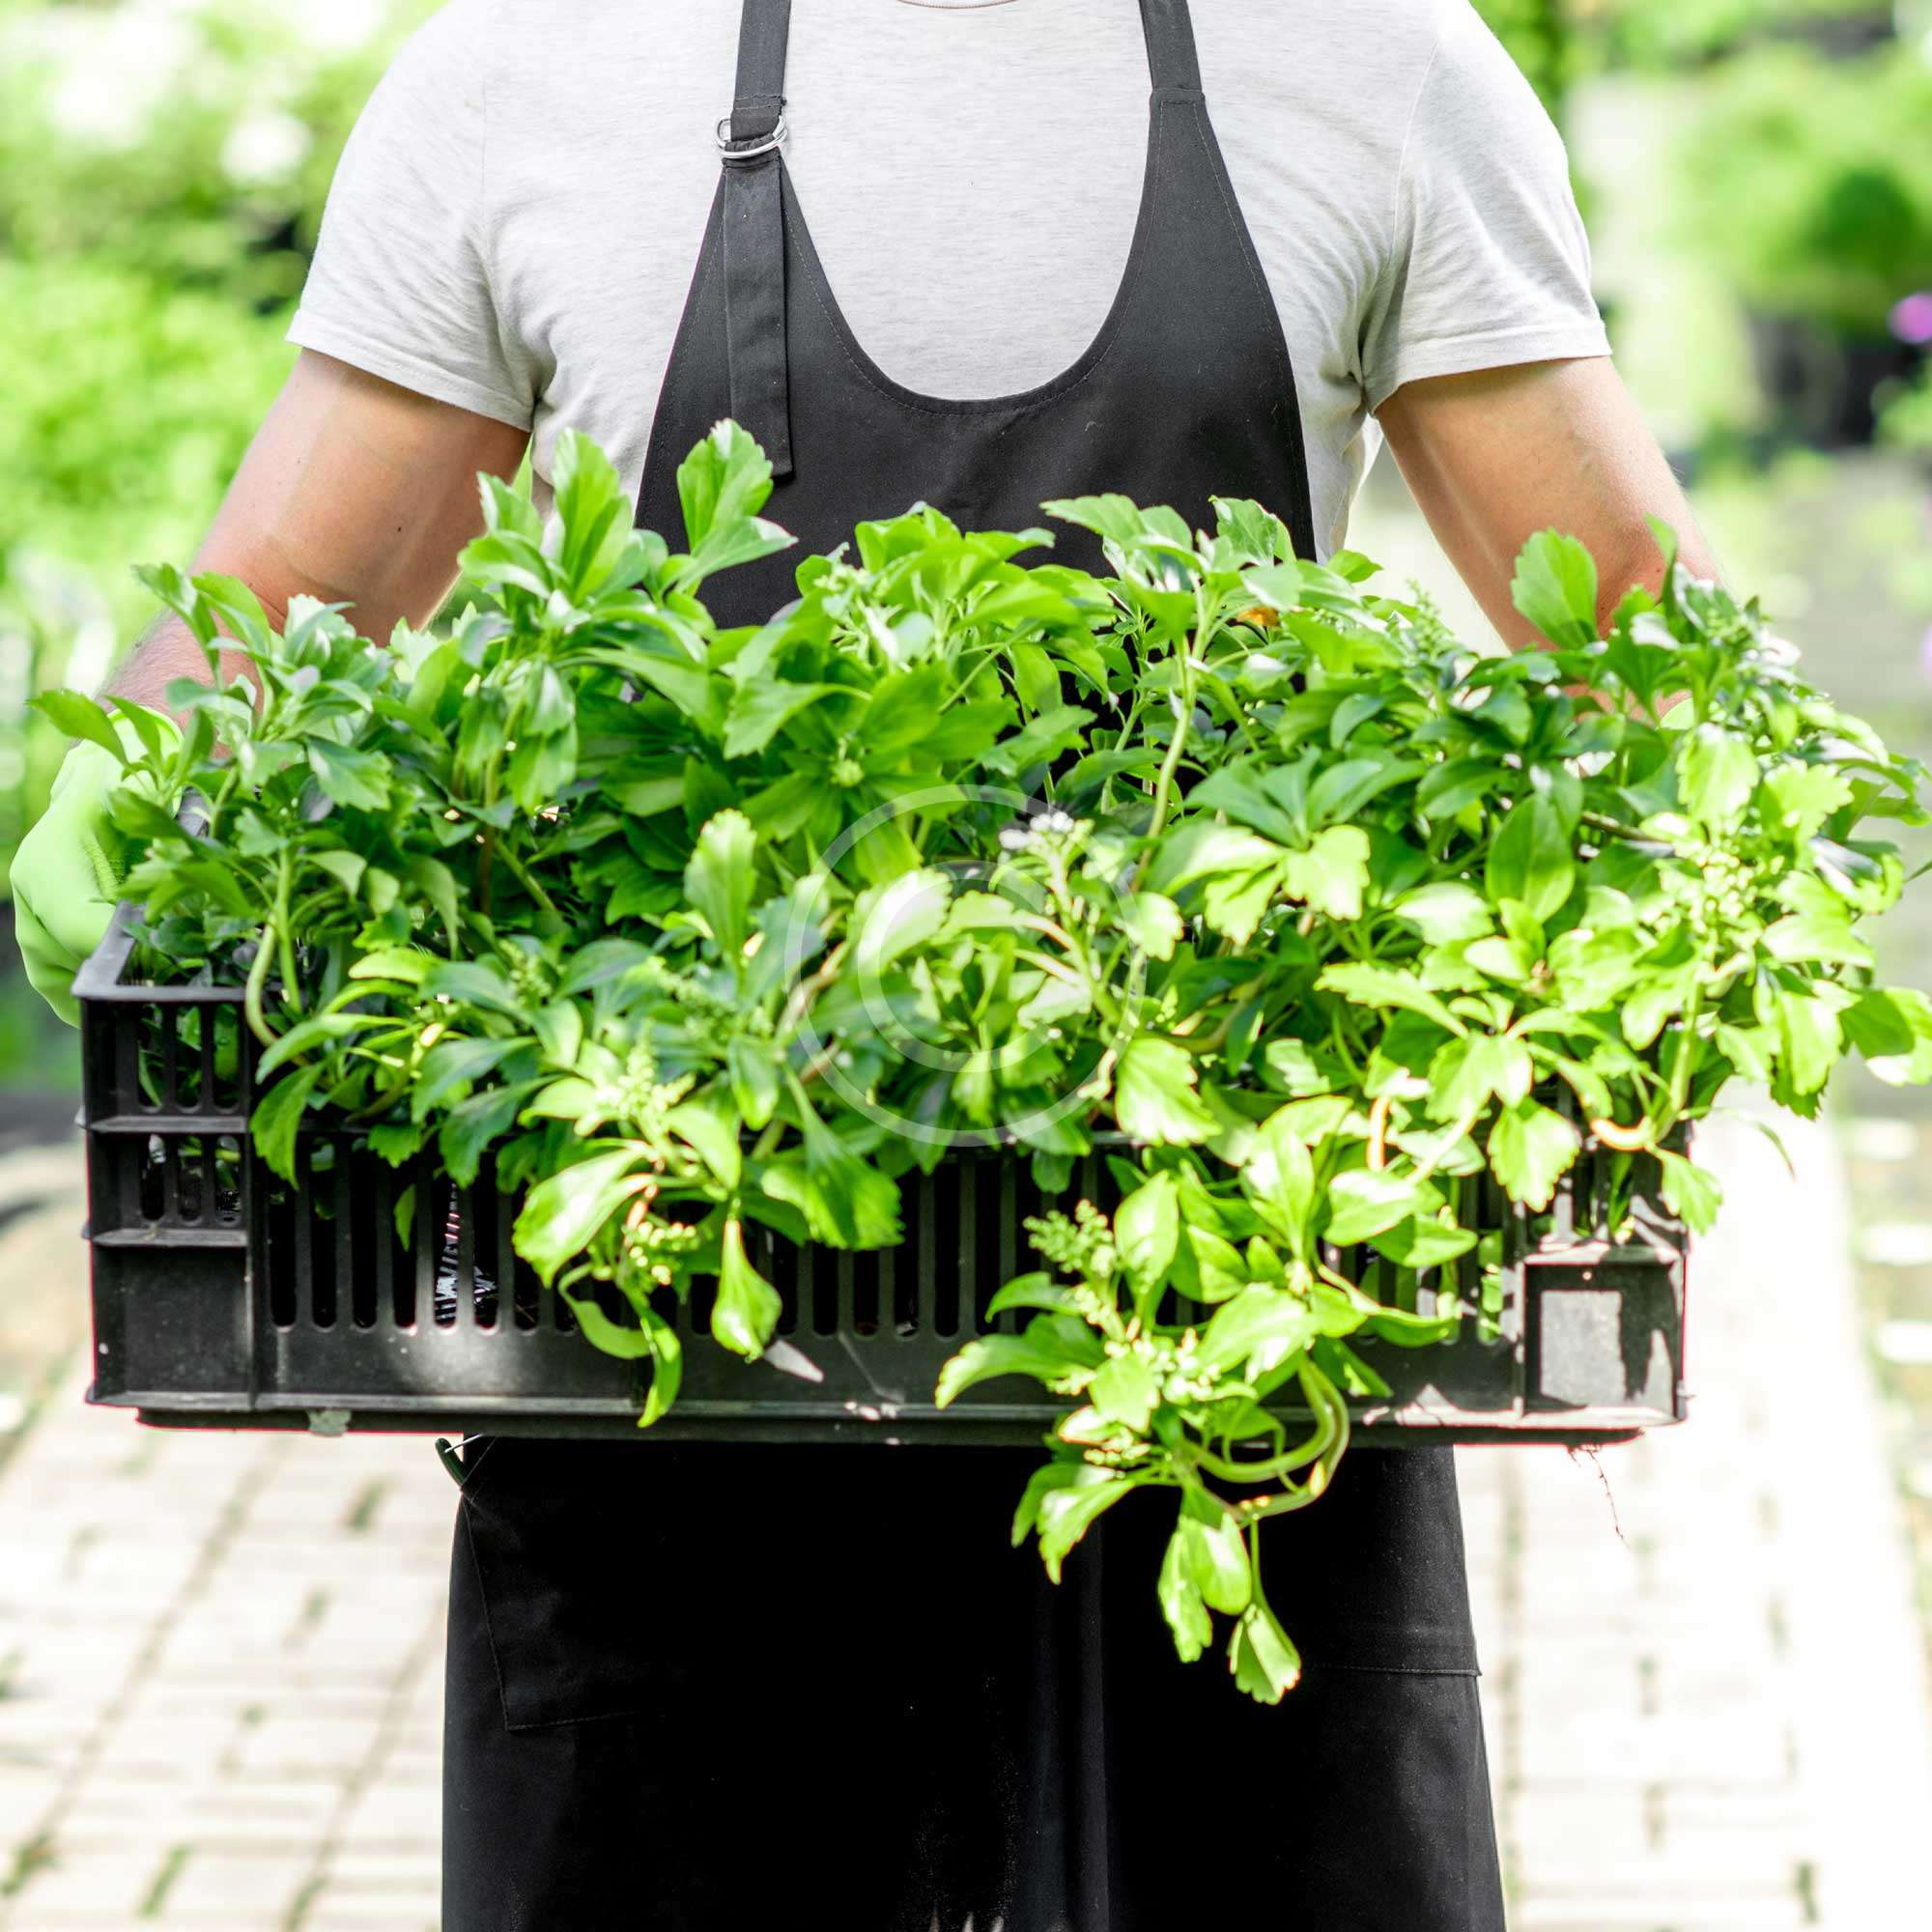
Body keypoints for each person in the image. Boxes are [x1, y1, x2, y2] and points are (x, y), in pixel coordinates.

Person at [13, 1, 1720, 1924]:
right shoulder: (532, 65)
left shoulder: (1367, 58)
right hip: (662, 1332)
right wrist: (143, 782)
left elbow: (1633, 644)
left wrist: (1685, 860)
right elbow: (288, 605)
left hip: (1215, 1338)